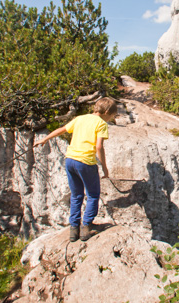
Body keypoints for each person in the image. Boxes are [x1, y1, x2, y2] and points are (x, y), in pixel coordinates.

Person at [33, 97, 118, 242]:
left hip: (70, 160)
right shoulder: (101, 124)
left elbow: (62, 129)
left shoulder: (80, 118)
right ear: (107, 112)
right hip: (85, 162)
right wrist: (104, 168)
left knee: (76, 195)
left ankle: (73, 229)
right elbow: (99, 147)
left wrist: (45, 139)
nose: (111, 119)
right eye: (112, 116)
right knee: (92, 194)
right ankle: (86, 227)